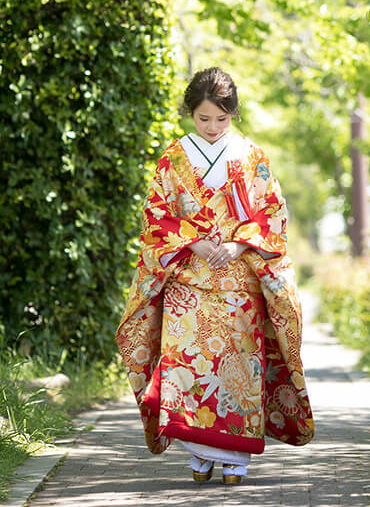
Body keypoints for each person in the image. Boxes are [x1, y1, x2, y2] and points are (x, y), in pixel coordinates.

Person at [116, 67, 314, 485]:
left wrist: (241, 244)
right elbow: (157, 216)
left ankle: (235, 461)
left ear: (233, 114)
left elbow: (272, 213)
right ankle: (201, 456)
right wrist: (190, 240)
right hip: (188, 287)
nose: (211, 127)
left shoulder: (251, 155)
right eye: (203, 119)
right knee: (188, 371)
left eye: (221, 119)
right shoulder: (174, 158)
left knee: (237, 371)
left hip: (238, 284)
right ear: (191, 113)